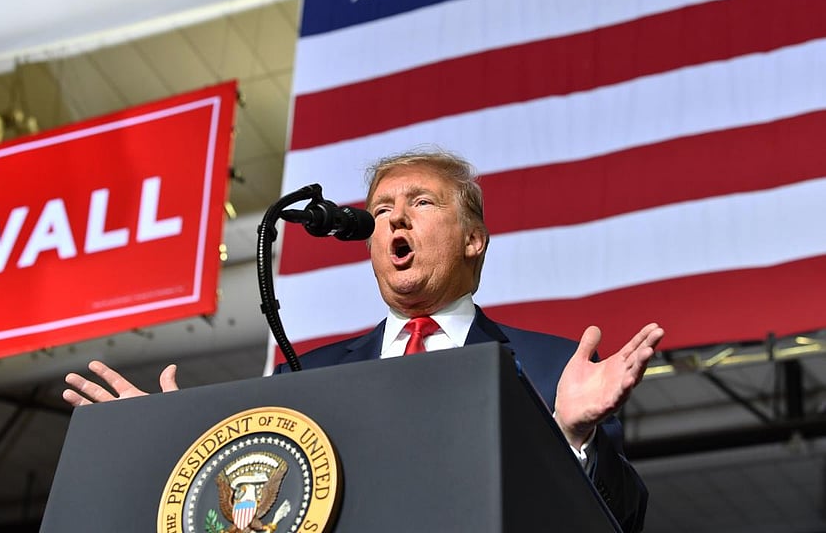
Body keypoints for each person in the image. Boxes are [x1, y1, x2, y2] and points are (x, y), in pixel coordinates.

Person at [64, 149, 663, 532]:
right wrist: (167, 449)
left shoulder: (553, 365)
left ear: (474, 239)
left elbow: (622, 519)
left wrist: (574, 437)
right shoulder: (304, 376)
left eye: (421, 202)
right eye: (381, 210)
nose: (395, 218)